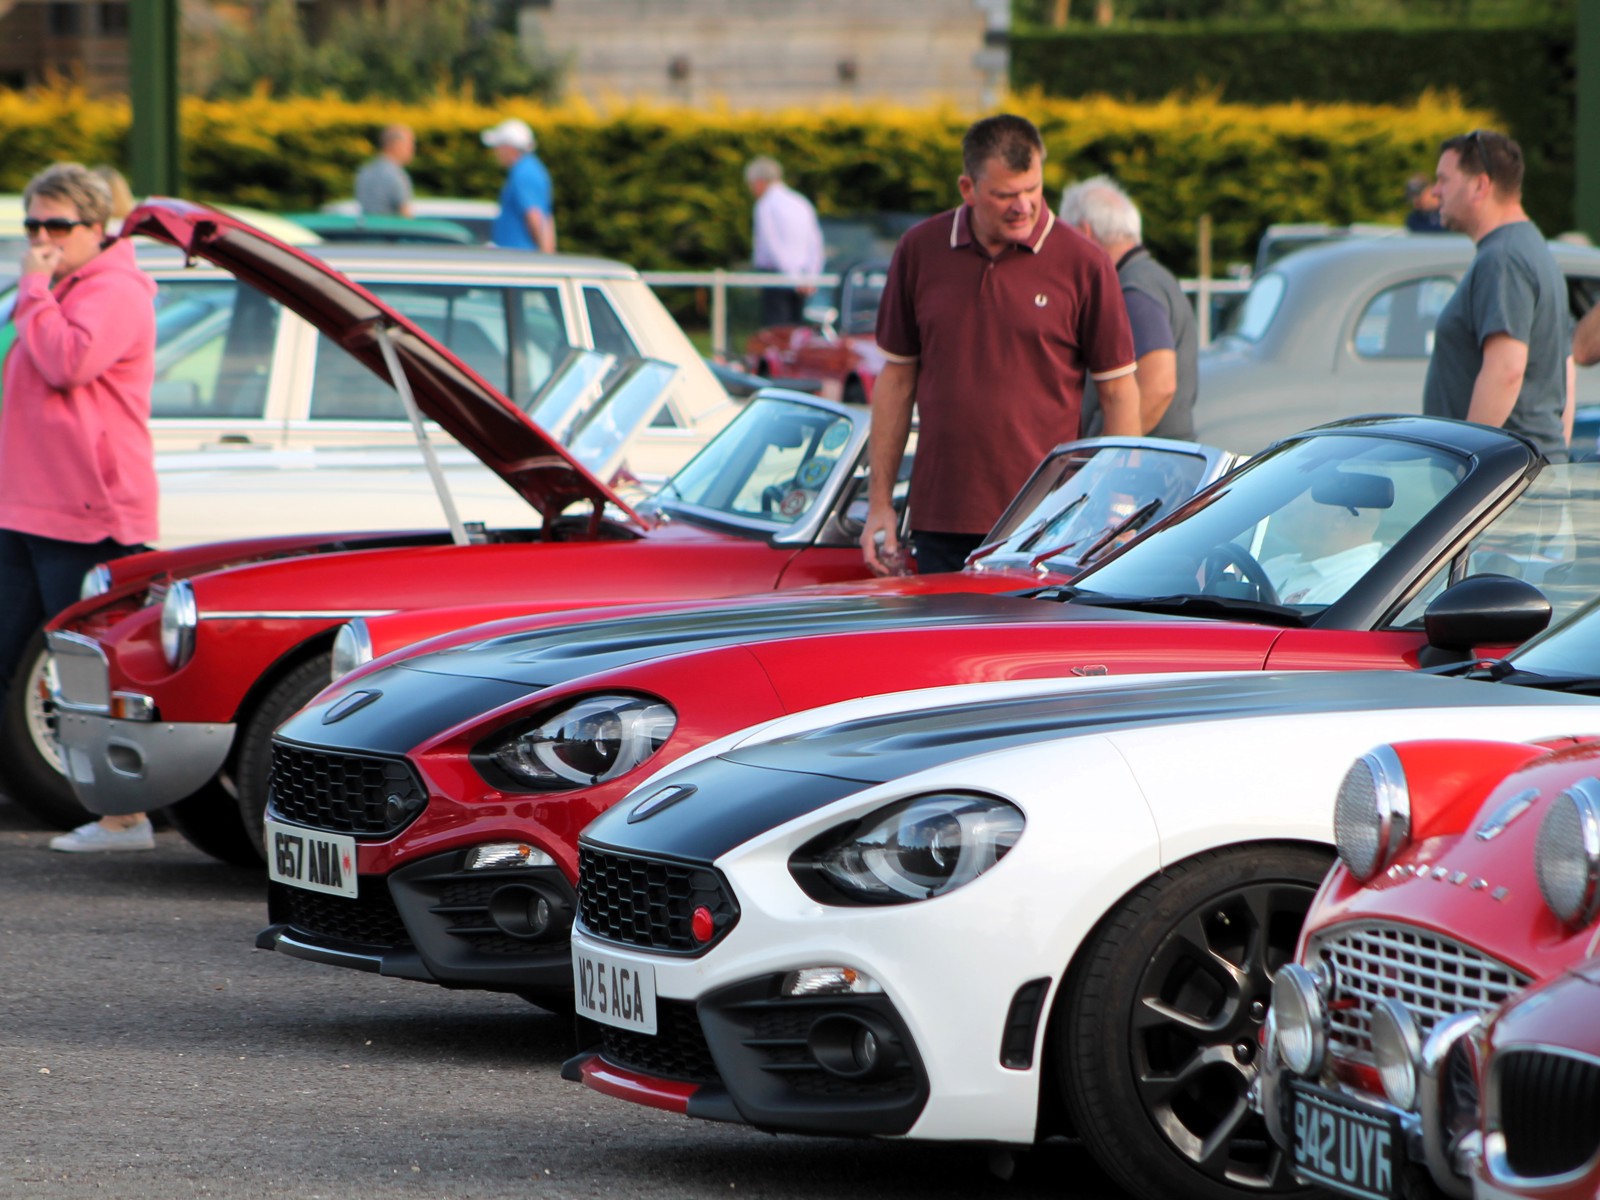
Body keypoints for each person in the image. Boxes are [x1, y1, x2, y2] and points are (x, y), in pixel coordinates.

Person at [860, 114, 1139, 577]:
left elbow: (1119, 392)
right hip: (941, 519)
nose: (1023, 206)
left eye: (1032, 189)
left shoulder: (1084, 263)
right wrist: (879, 504)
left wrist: (1120, 501)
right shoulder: (919, 250)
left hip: (1048, 524)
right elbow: (896, 382)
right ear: (967, 189)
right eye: (1005, 195)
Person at [0, 163, 159, 852]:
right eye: (32, 224)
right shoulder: (51, 291)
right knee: (11, 657)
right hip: (24, 507)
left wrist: (33, 288)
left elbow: (70, 362)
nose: (42, 238)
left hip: (88, 513)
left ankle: (126, 817)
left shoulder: (115, 290)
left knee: (90, 670)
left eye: (57, 225)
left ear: (96, 229)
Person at [1421, 129, 1572, 461]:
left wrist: (1467, 464)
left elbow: (1506, 370)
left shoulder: (1503, 258)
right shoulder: (1532, 248)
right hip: (1527, 473)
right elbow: (1566, 366)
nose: (1435, 192)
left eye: (1444, 180)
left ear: (1480, 185)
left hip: (1505, 481)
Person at [1059, 175, 1198, 440]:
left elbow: (1158, 385)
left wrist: (1102, 460)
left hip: (1147, 473)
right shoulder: (1152, 277)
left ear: (1084, 232)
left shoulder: (1133, 289)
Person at [744, 156, 825, 327]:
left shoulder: (765, 205)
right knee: (795, 331)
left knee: (776, 334)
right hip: (803, 279)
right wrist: (811, 276)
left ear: (759, 182)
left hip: (777, 278)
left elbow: (772, 246)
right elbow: (815, 243)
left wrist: (793, 277)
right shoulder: (801, 202)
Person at [482, 116, 554, 254]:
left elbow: (534, 215)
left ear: (509, 148)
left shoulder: (524, 172)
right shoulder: (529, 169)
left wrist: (546, 257)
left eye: (498, 147)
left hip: (520, 259)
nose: (496, 152)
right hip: (520, 258)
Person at [354, 123, 415, 218]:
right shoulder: (397, 175)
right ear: (396, 145)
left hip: (367, 230)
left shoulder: (365, 172)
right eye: (409, 145)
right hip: (391, 231)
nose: (411, 150)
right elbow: (405, 215)